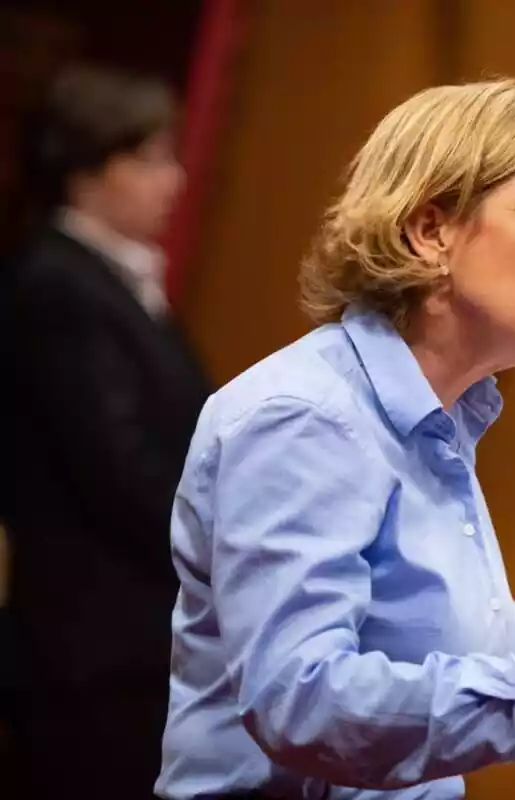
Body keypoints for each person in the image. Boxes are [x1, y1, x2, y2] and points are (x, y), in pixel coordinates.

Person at [156, 78, 515, 799]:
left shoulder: (438, 408)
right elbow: (303, 704)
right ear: (429, 231)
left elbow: (445, 624)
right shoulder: (306, 417)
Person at [0, 64, 210, 795]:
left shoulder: (112, 278)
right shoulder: (58, 283)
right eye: (147, 160)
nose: (173, 181)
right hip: (91, 648)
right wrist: (230, 551)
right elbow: (119, 471)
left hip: (129, 640)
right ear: (83, 169)